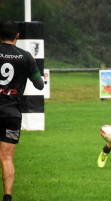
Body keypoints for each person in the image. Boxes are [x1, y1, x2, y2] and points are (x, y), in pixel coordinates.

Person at [0, 20, 44, 201]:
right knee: (7, 158)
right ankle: (7, 197)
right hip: (11, 114)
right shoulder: (25, 56)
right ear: (17, 36)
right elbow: (40, 85)